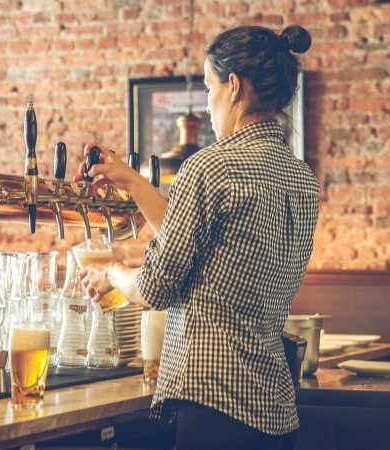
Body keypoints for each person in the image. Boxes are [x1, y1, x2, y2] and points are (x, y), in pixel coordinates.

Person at [76, 24, 319, 450]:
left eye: (209, 88)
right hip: (276, 407)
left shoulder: (209, 167)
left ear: (234, 86)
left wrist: (112, 271)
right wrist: (132, 182)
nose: (207, 105)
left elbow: (155, 287)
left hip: (216, 407)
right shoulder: (301, 177)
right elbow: (197, 237)